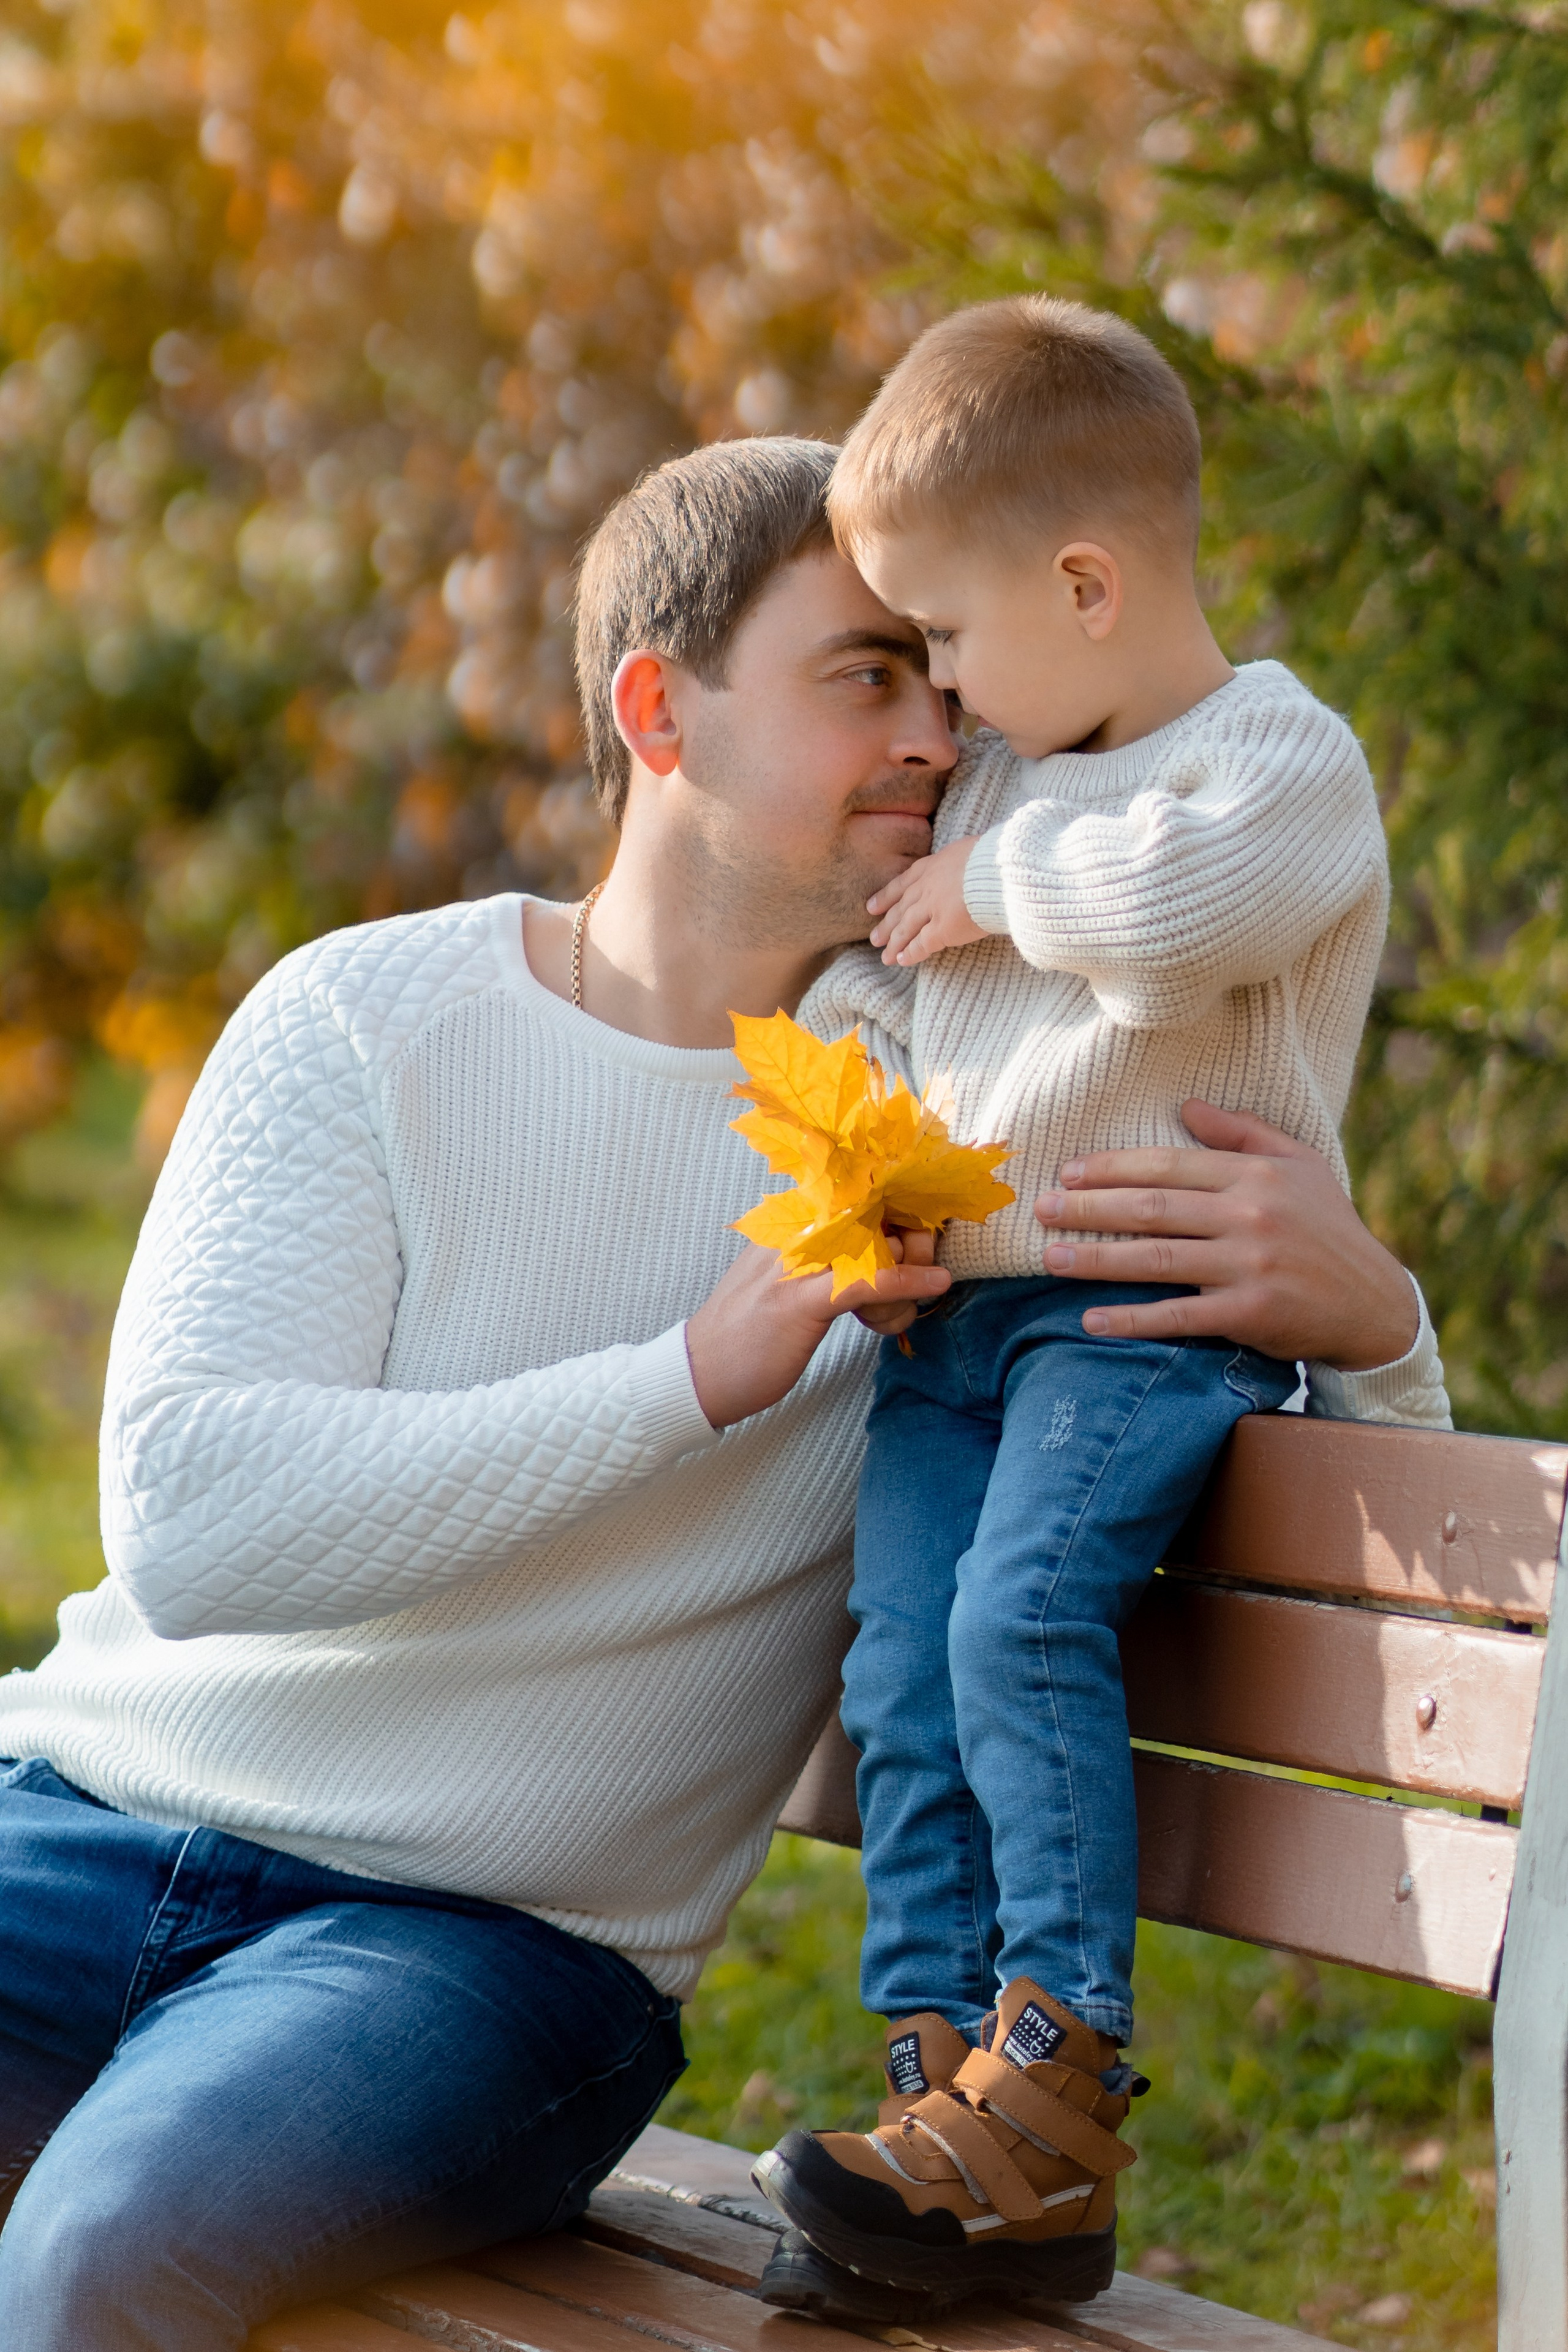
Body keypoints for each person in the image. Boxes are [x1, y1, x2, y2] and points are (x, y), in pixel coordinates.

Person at [0, 435, 1446, 2352]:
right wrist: (694, 1376)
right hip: (75, 1825)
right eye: (867, 673)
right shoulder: (368, 1018)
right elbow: (191, 1524)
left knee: (102, 2255)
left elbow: (1269, 1505)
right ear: (657, 710)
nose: (940, 731)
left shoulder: (963, 1143)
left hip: (476, 1956)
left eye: (942, 675)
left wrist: (1377, 1319)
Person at [754, 298, 1412, 2318]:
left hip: (1148, 1321)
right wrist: (856, 1086)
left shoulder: (1272, 760)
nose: (940, 704)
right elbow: (887, 977)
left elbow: (1181, 919)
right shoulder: (997, 801)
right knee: (899, 1666)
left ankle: (1055, 2069)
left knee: (1018, 1616)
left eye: (949, 641)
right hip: (963, 1323)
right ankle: (942, 2094)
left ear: (1086, 583)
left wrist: (1002, 896)